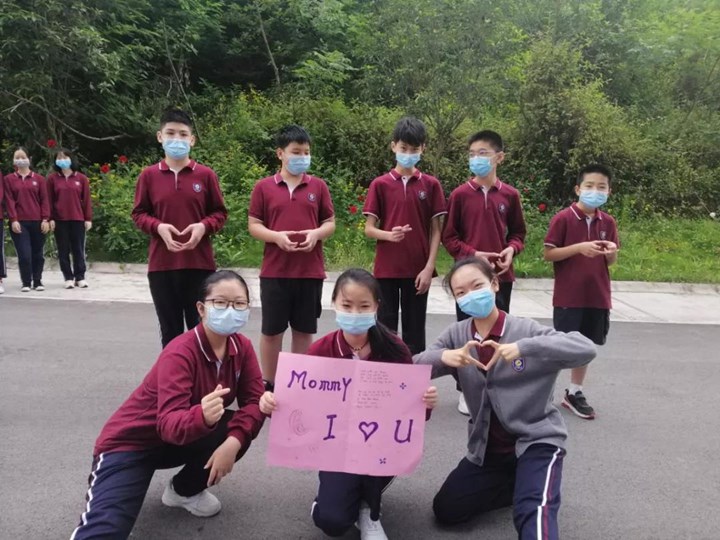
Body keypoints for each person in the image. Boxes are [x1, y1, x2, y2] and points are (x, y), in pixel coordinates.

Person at [69, 271, 265, 539]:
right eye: (220, 302)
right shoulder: (180, 351)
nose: (231, 310)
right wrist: (202, 417)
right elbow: (168, 424)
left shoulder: (241, 347)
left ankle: (182, 491)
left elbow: (254, 401)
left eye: (239, 304)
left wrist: (234, 442)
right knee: (107, 529)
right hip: (131, 444)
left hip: (178, 441)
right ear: (201, 308)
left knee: (232, 428)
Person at [414, 258, 596, 540]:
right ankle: (518, 484)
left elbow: (585, 348)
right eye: (461, 292)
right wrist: (444, 356)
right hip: (488, 451)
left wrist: (524, 348)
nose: (470, 295)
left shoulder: (524, 330)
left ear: (495, 284)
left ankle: (531, 488)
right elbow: (411, 367)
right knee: (448, 509)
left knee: (533, 513)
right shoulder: (457, 335)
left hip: (537, 441)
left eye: (477, 286)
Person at [260, 268, 437, 540]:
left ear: (377, 307)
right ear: (334, 304)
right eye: (347, 305)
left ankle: (369, 509)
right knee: (331, 521)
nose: (355, 313)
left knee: (376, 463)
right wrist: (271, 403)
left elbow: (411, 415)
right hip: (336, 445)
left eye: (364, 306)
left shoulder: (395, 349)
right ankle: (332, 497)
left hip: (379, 442)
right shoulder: (320, 351)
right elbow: (297, 406)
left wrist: (426, 401)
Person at [441, 130, 527, 415]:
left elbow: (518, 234)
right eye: (471, 154)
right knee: (468, 334)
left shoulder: (510, 195)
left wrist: (511, 250)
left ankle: (498, 387)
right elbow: (449, 238)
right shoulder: (460, 195)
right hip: (468, 280)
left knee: (500, 333)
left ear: (499, 157)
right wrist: (474, 255)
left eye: (483, 153)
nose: (476, 159)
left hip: (500, 277)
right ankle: (466, 390)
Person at [248, 124, 335, 392]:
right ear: (280, 154)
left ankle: (299, 383)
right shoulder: (264, 187)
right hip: (275, 272)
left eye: (306, 152)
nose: (302, 157)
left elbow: (329, 223)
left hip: (310, 272)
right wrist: (276, 237)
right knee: (272, 331)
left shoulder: (318, 186)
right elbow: (254, 225)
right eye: (296, 152)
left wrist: (316, 234)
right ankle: (269, 383)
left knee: (304, 331)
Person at [132, 108, 228, 348]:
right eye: (171, 133)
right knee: (170, 332)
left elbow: (219, 213)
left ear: (192, 139)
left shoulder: (206, 175)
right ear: (160, 136)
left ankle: (203, 372)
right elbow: (139, 213)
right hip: (162, 266)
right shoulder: (149, 176)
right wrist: (158, 227)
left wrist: (203, 227)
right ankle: (173, 373)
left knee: (202, 331)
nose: (177, 139)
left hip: (200, 265)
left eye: (183, 134)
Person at [363, 117, 447, 355]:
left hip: (418, 271)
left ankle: (414, 375)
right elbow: (369, 229)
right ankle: (385, 374)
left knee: (415, 332)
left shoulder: (431, 185)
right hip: (386, 270)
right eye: (403, 148)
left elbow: (436, 230)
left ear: (423, 149)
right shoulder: (380, 184)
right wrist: (389, 235)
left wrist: (429, 268)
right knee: (385, 331)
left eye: (414, 149)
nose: (408, 154)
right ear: (393, 147)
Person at [544, 164, 619, 420]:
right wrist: (579, 248)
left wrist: (611, 252)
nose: (595, 191)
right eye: (589, 186)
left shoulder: (608, 222)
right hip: (569, 296)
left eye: (601, 187)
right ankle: (543, 392)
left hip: (597, 295)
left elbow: (610, 261)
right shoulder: (563, 218)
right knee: (562, 346)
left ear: (609, 191)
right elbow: (549, 254)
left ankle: (574, 391)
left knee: (585, 347)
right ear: (578, 189)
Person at [3, 147, 50, 292]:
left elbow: (44, 200)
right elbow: (9, 201)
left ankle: (37, 280)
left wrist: (45, 219)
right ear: (13, 161)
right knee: (24, 254)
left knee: (38, 253)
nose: (20, 160)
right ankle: (26, 282)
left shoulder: (39, 179)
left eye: (23, 157)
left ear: (29, 159)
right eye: (17, 157)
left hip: (37, 221)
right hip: (19, 222)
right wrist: (13, 219)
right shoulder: (9, 179)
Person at [47, 149, 92, 289]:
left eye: (65, 157)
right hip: (60, 220)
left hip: (77, 219)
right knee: (63, 250)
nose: (62, 160)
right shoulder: (52, 179)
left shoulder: (81, 178)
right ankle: (68, 277)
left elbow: (87, 200)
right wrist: (50, 218)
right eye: (59, 158)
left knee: (78, 249)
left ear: (71, 159)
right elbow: (49, 200)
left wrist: (88, 218)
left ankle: (80, 276)